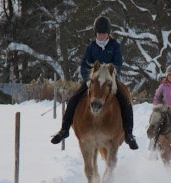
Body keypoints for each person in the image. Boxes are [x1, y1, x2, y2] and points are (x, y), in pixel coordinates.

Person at [50, 16, 138, 150]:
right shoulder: (91, 47)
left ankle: (129, 134)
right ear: (95, 33)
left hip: (110, 81)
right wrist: (89, 79)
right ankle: (64, 129)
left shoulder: (114, 46)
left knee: (125, 102)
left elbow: (118, 63)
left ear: (108, 33)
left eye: (104, 34)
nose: (102, 36)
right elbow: (84, 64)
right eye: (99, 34)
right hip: (93, 81)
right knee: (74, 100)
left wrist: (111, 74)